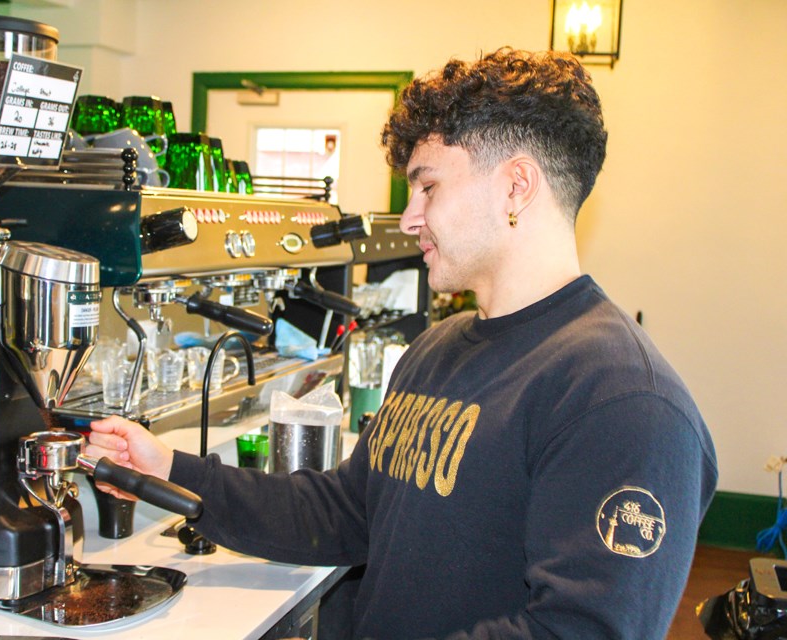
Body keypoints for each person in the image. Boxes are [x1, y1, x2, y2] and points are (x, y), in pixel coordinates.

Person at [86, 47, 718, 639]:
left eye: (429, 187)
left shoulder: (624, 400)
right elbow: (344, 512)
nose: (410, 216)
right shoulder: (438, 350)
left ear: (517, 188)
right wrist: (169, 471)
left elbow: (577, 630)